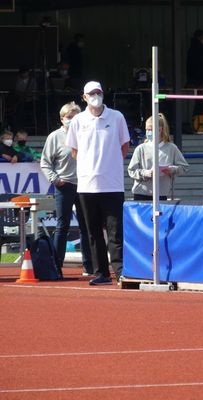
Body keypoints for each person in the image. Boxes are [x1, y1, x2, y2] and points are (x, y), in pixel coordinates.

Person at [67, 81, 130, 286]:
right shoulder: (78, 120)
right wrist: (90, 166)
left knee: (115, 231)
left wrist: (108, 164)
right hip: (86, 185)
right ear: (84, 97)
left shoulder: (117, 116)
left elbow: (124, 145)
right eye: (91, 93)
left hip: (112, 184)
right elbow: (74, 150)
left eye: (98, 92)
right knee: (93, 233)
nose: (95, 95)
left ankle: (120, 271)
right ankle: (101, 272)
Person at [40, 102, 93, 278]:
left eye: (74, 117)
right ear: (62, 119)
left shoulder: (86, 134)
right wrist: (55, 180)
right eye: (68, 117)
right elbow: (45, 162)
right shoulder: (54, 137)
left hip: (85, 185)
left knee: (87, 227)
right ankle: (56, 266)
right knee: (62, 226)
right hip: (65, 185)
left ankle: (89, 266)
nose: (71, 120)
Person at [128, 113, 189, 200]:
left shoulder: (171, 148)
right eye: (147, 129)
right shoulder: (140, 148)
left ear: (160, 130)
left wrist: (172, 169)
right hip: (141, 193)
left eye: (150, 129)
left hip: (161, 194)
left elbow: (184, 167)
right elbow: (131, 171)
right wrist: (146, 173)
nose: (148, 132)